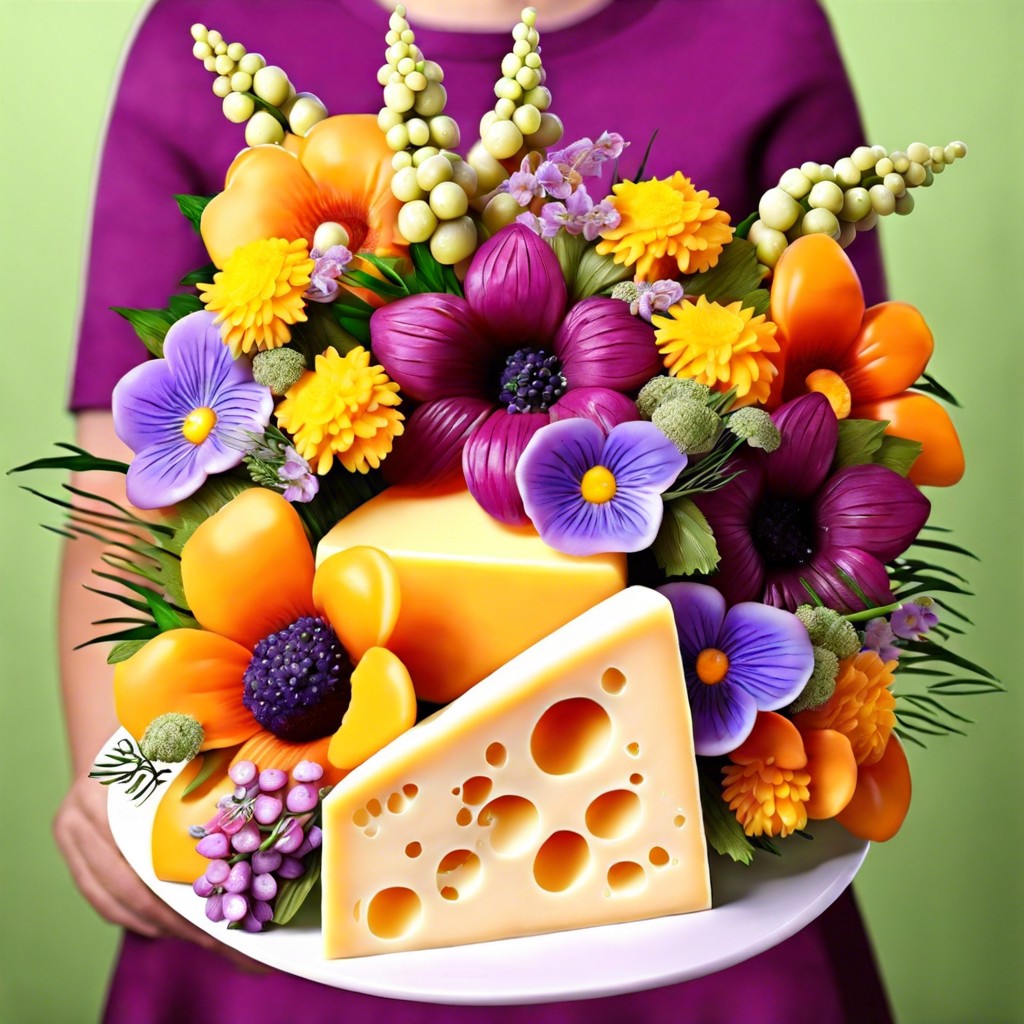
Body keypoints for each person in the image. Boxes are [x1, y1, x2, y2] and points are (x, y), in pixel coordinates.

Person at [57, 1, 893, 1020]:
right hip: (296, 885)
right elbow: (123, 488)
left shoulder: (764, 28)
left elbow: (839, 426)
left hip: (679, 897)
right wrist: (124, 785)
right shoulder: (199, 28)